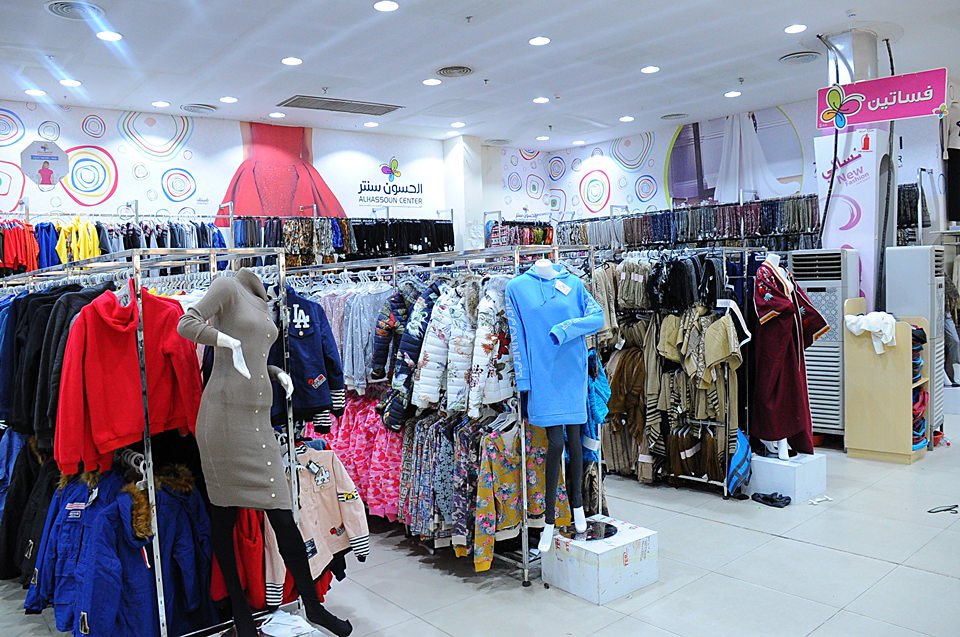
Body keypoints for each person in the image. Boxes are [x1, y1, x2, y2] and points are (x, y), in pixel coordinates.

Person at [178, 269, 352, 637]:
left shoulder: (262, 299)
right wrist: (226, 342)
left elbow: (254, 352)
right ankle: (241, 616)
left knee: (284, 518)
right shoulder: (226, 287)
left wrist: (272, 371)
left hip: (257, 422)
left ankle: (313, 606)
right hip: (223, 420)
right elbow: (186, 323)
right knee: (224, 520)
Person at [944, 277, 960, 387]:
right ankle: (943, 376)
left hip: (945, 312)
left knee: (955, 340)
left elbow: (953, 291)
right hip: (930, 313)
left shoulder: (942, 275)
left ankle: (957, 372)